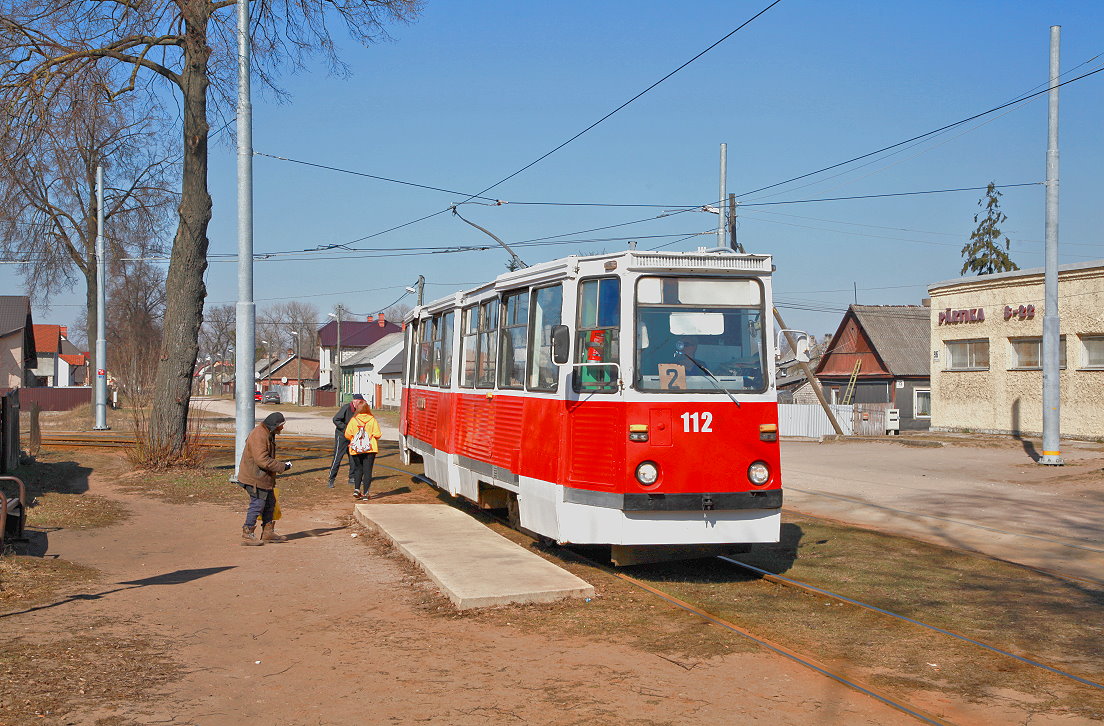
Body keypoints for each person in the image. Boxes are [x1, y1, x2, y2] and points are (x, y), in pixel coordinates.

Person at [238, 412, 292, 546]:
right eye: (281, 425)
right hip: (254, 477)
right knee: (257, 504)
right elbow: (262, 460)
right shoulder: (259, 435)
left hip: (262, 477)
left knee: (269, 503)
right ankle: (247, 532)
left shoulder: (267, 432)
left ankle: (268, 533)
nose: (282, 428)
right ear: (274, 425)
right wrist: (281, 466)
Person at [344, 398, 382, 500]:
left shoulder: (353, 420)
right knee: (368, 471)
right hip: (370, 449)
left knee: (358, 469)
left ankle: (356, 489)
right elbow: (378, 434)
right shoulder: (372, 420)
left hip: (356, 449)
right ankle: (366, 493)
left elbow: (347, 435)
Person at [327, 393, 364, 487]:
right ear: (354, 401)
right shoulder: (346, 408)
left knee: (353, 457)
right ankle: (331, 479)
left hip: (352, 437)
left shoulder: (360, 410)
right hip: (342, 436)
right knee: (337, 457)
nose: (361, 404)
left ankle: (352, 478)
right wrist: (346, 429)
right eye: (359, 402)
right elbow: (336, 419)